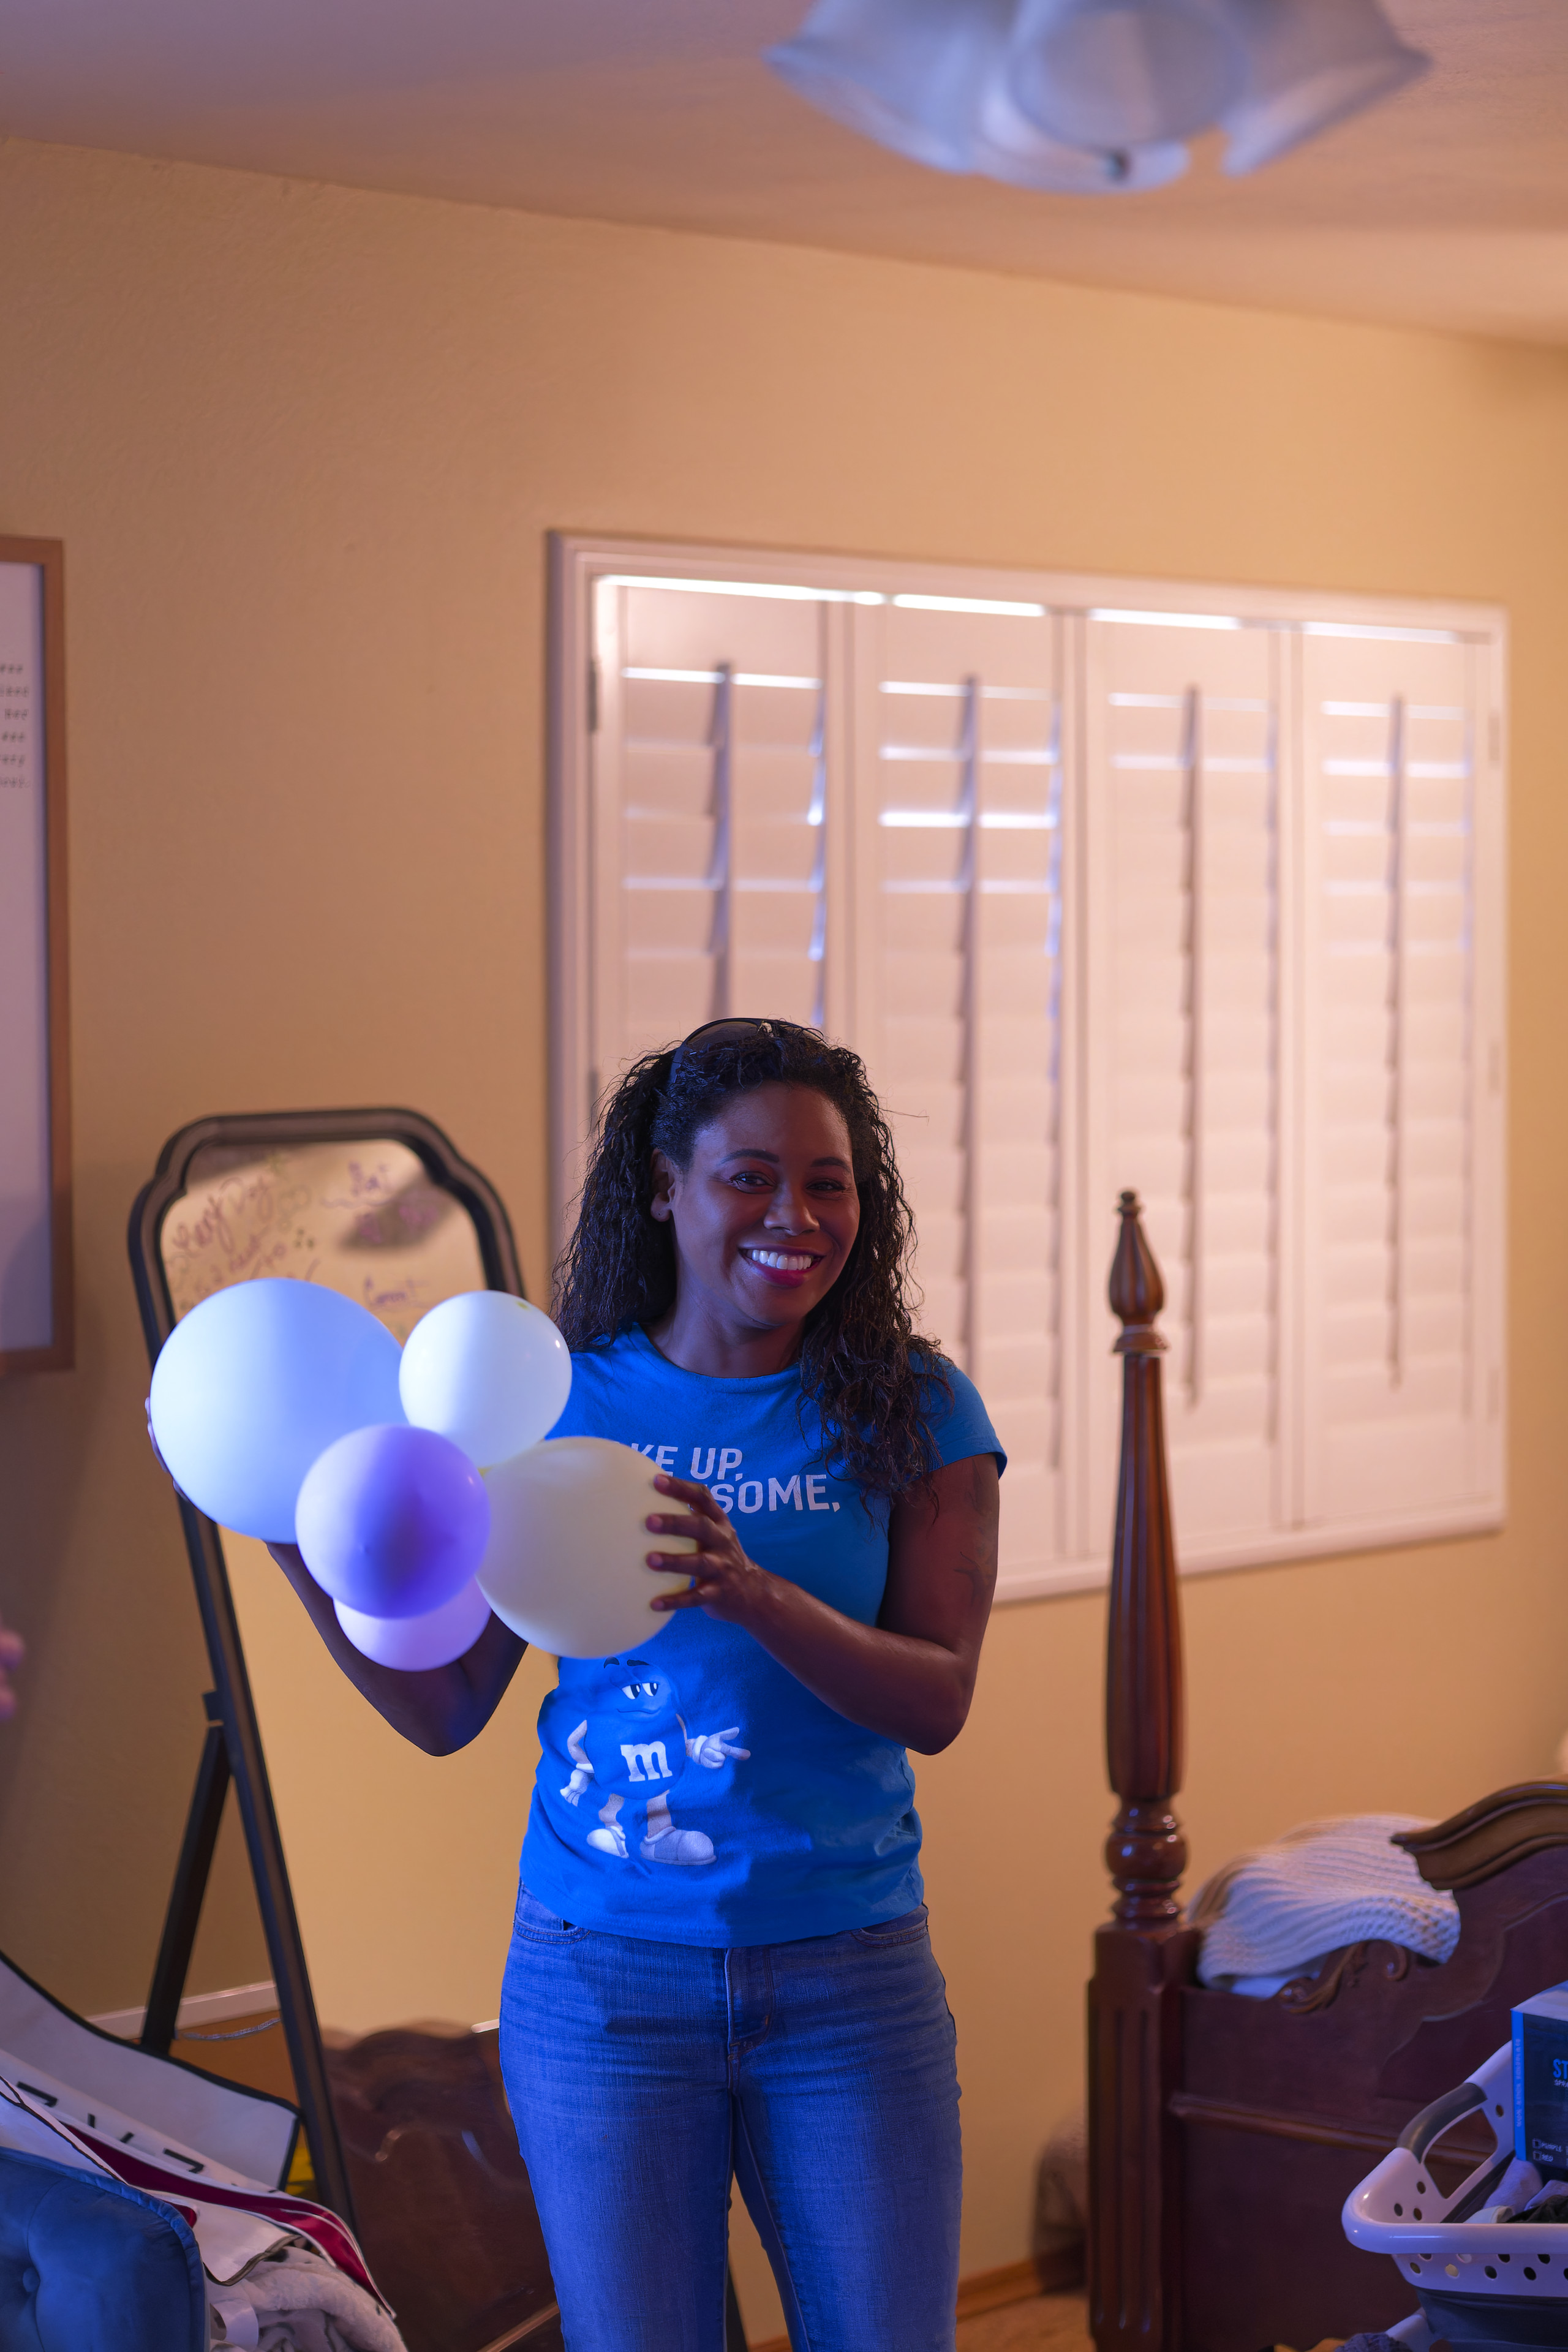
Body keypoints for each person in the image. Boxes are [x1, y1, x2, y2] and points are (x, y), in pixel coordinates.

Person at [267, 1018, 1003, 2352]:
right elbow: (445, 1709)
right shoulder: (556, 1406)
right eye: (749, 1177)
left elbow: (938, 1700)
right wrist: (286, 1526)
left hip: (847, 1975)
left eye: (827, 1182)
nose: (793, 1216)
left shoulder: (916, 1408)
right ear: (665, 1187)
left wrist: (750, 1590)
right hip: (601, 1983)